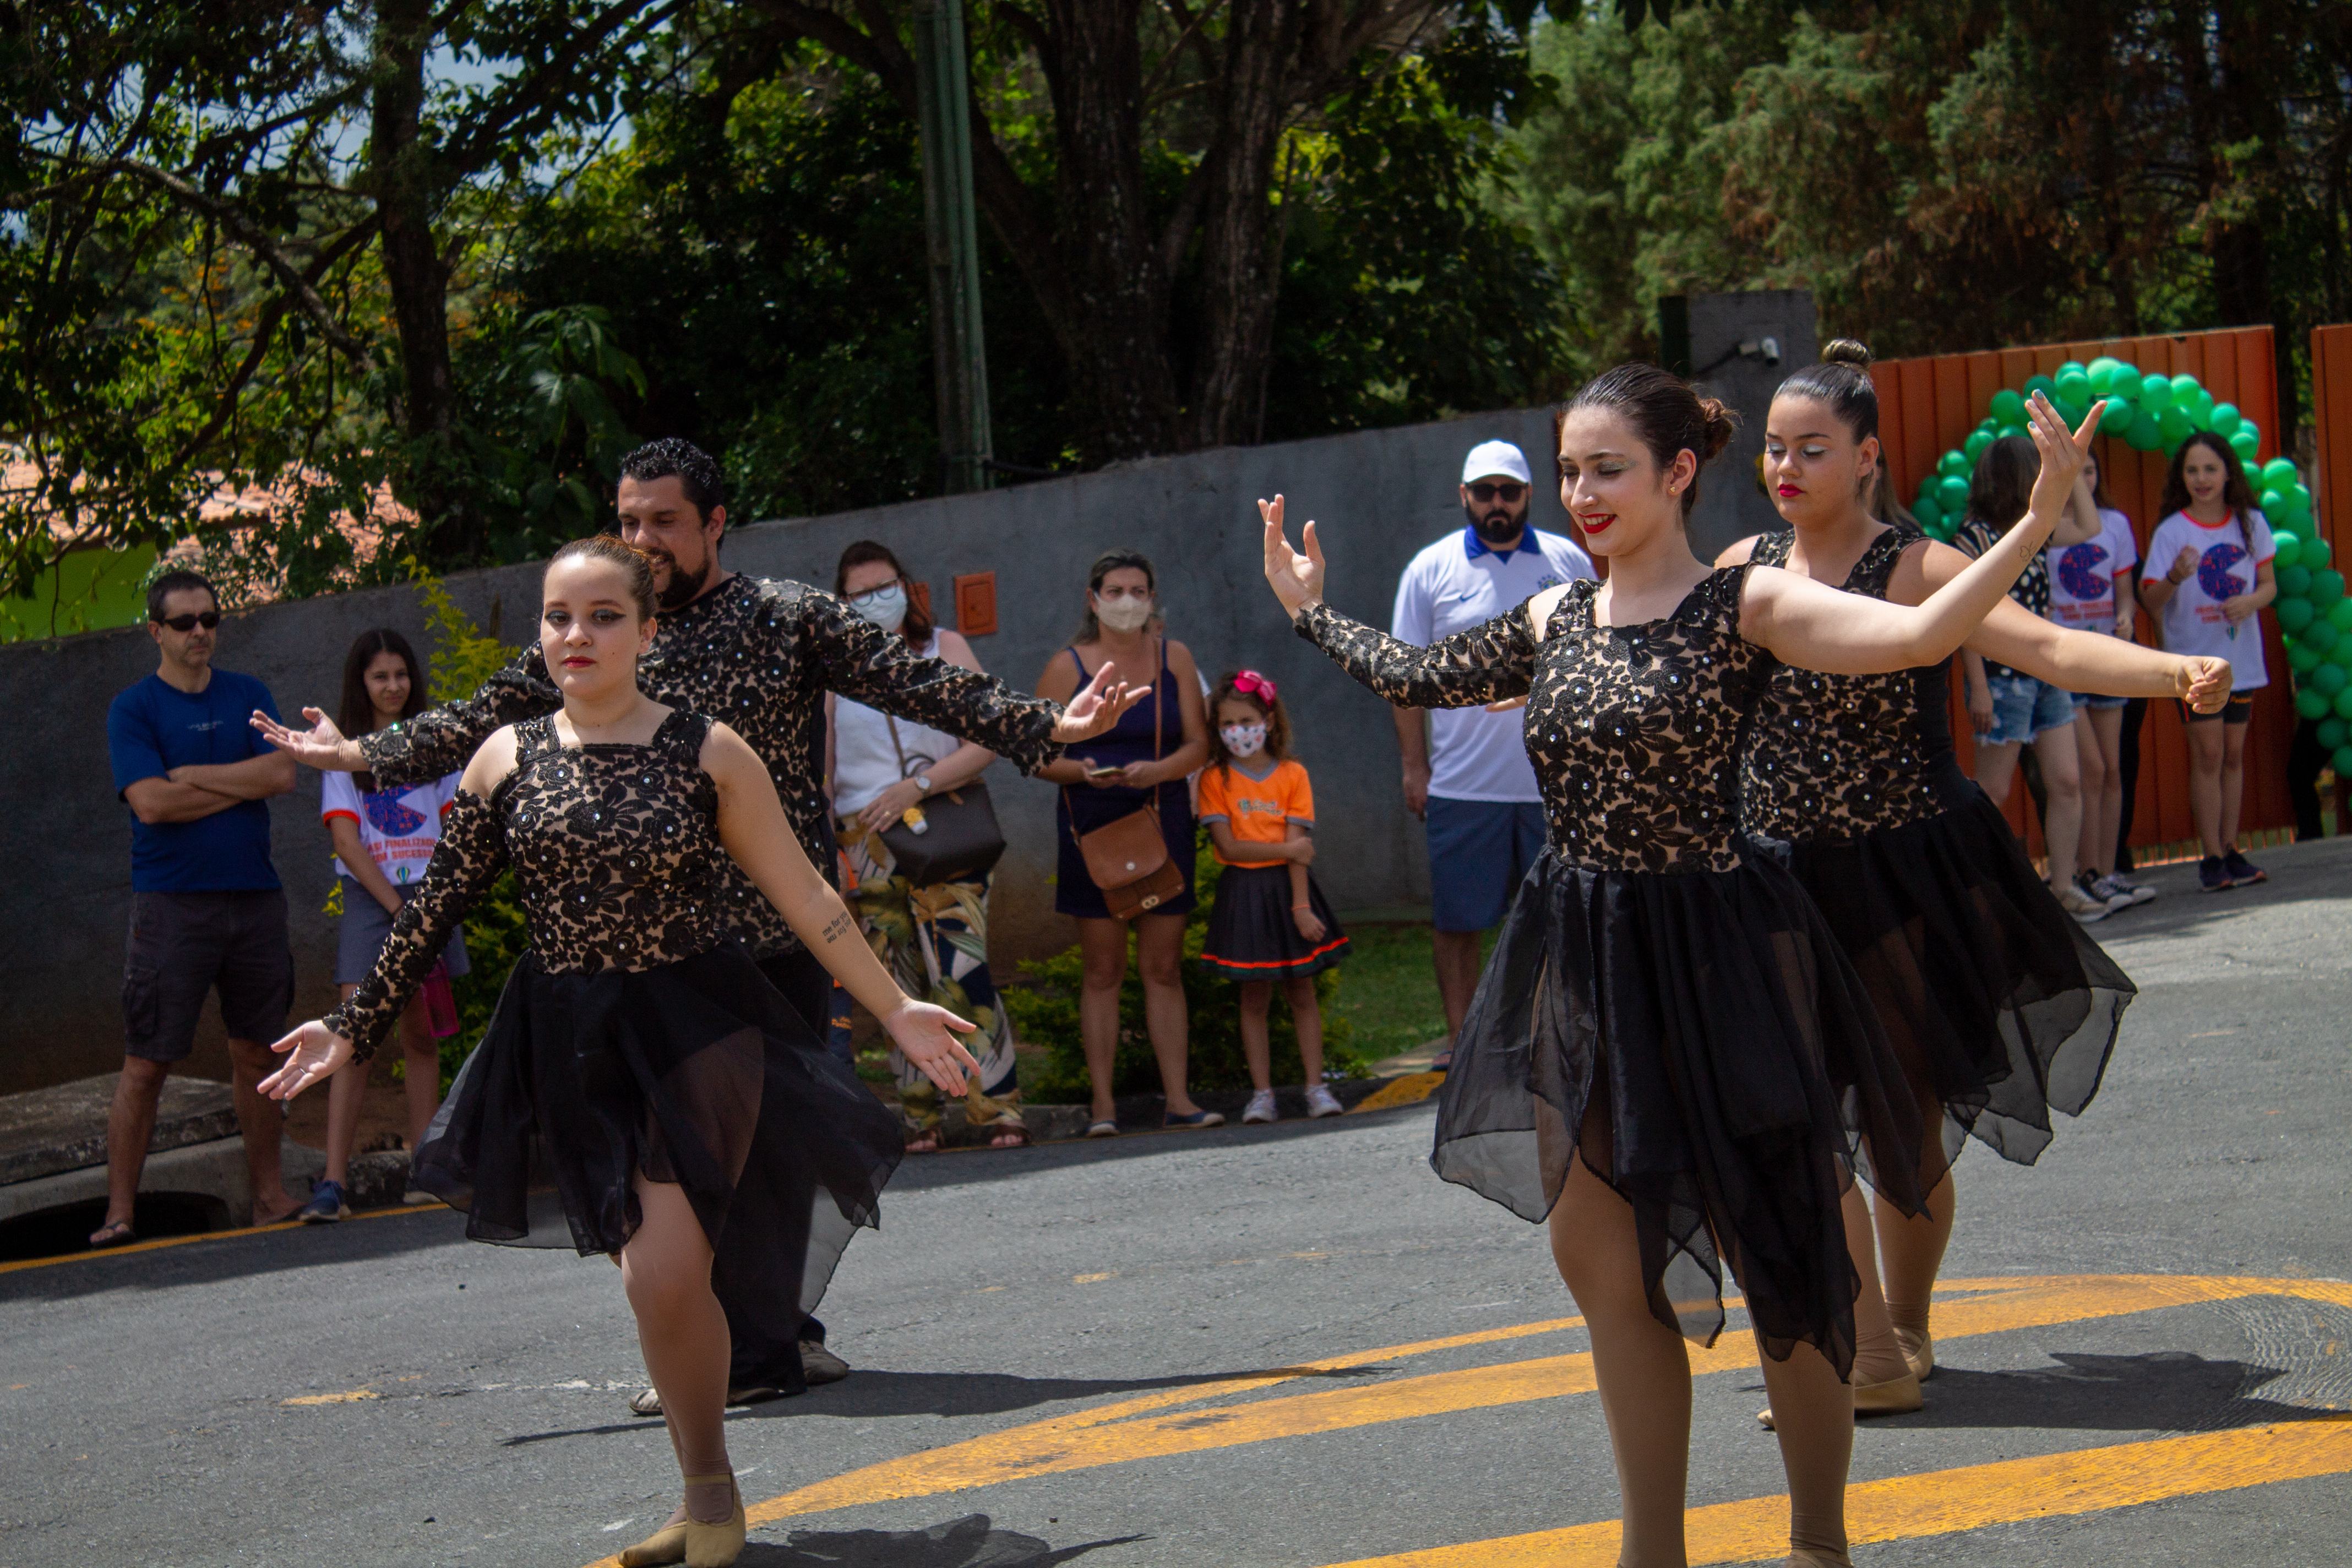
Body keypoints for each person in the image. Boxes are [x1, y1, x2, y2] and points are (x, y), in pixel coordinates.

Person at [1261, 366, 2096, 1568]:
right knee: (1602, 1265)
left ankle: (1819, 1542)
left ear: (1678, 473)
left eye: (1608, 468)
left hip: (1721, 955)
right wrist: (1308, 609)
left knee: (1785, 1258)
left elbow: (1921, 633)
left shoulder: (1743, 603)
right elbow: (1414, 676)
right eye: (1570, 471)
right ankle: (1652, 1549)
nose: (1582, 492)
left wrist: (2033, 516)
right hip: (1587, 956)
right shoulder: (1555, 616)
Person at [253, 438, 1139, 1409]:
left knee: (769, 1158)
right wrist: (361, 753)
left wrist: (1045, 726)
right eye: (627, 519)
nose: (642, 538)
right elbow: (482, 718)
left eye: (663, 520)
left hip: (777, 940)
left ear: (716, 524)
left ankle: (761, 1342)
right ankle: (717, 1345)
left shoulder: (785, 618)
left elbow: (920, 684)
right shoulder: (604, 628)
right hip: (648, 953)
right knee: (664, 1170)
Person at [259, 536, 976, 1568]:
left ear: (647, 631)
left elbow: (810, 899)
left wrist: (896, 1003)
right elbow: (430, 914)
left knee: (664, 1267)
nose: (576, 635)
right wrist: (352, 1022)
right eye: (558, 615)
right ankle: (706, 1489)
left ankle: (711, 1492)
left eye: (602, 616)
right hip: (569, 1035)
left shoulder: (709, 750)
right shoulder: (502, 756)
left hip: (696, 1027)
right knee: (655, 1282)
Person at [1719, 341, 2229, 1428]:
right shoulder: (1741, 566)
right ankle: (1850, 1335)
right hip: (1773, 884)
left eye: (1813, 447)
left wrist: (2175, 671)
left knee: (1905, 1117)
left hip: (1907, 872)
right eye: (1773, 447)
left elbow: (2054, 650)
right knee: (1795, 1116)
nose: (1787, 465)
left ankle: (1903, 1324)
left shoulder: (1921, 566)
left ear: (1867, 458)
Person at [97, 569, 301, 1247]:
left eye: (209, 619)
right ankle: (119, 1213)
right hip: (172, 908)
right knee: (148, 1061)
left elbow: (281, 774)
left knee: (258, 1052)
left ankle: (270, 1195)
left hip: (254, 901)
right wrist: (237, 788)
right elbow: (151, 805)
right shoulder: (134, 709)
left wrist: (193, 778)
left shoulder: (249, 695)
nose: (200, 633)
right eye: (184, 622)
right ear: (156, 631)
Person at [1390, 440, 1593, 1068]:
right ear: (1465, 496)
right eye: (1485, 492)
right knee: (1458, 924)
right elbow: (1404, 676)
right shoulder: (1430, 568)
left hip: (1552, 785)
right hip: (1463, 785)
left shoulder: (1567, 559)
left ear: (1529, 494)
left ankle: (1560, 1037)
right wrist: (1414, 766)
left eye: (1509, 491)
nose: (1497, 503)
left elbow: (1595, 661)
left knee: (1564, 920)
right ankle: (1462, 1044)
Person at [824, 540, 1026, 1152]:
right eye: (860, 593)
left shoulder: (944, 647)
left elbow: (988, 737)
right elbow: (824, 769)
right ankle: (920, 1118)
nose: (876, 600)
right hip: (866, 838)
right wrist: (825, 846)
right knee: (896, 978)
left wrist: (919, 781)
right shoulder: (832, 671)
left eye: (887, 586)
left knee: (960, 965)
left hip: (942, 818)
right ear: (842, 602)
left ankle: (999, 1110)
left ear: (907, 586)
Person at [1033, 549, 1220, 1137]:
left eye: (1138, 590)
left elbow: (1200, 744)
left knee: (1163, 967)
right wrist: (1084, 770)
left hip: (1161, 815)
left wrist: (1159, 771)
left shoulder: (1176, 658)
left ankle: (1180, 1100)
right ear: (1093, 600)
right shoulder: (1067, 666)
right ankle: (1105, 1109)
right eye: (1114, 591)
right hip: (1093, 827)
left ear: (1152, 598)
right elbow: (1036, 753)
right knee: (1103, 970)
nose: (1127, 601)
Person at [303, 628, 470, 1222]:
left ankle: (426, 1172)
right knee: (353, 1041)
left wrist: (432, 905)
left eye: (401, 674)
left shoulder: (438, 748)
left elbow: (459, 828)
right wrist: (402, 912)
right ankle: (332, 1185)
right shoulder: (340, 752)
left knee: (422, 1037)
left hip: (432, 895)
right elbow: (347, 844)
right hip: (375, 903)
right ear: (362, 684)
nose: (393, 686)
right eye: (380, 676)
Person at [1951, 437, 2111, 922]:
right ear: (2016, 480)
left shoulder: (2032, 530)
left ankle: (2061, 889)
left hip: (2043, 674)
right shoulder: (1972, 539)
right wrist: (1977, 685)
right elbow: (1963, 616)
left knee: (2066, 781)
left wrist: (2076, 467)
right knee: (1994, 792)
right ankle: (1988, 895)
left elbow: (2090, 524)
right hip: (2000, 680)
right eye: (2034, 473)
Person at [1195, 669, 1350, 1125]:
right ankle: (1261, 1094)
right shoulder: (1214, 779)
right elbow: (1229, 847)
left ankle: (1316, 1087)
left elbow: (1301, 849)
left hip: (1288, 890)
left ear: (1268, 719)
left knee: (1302, 991)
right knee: (1253, 998)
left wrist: (1301, 907)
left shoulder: (1293, 775)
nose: (1237, 732)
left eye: (1245, 720)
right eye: (1226, 725)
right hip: (1242, 892)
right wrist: (1285, 849)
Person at [2141, 431, 2279, 890]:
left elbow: (2269, 587)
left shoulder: (2251, 523)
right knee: (2209, 754)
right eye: (2192, 470)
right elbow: (2150, 600)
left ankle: (2232, 849)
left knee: (2234, 755)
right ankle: (2211, 858)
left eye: (2210, 469)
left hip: (2242, 659)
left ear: (2227, 474)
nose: (2202, 479)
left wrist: (2250, 603)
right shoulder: (2172, 532)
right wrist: (2177, 576)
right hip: (2194, 663)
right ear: (2182, 477)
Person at [2046, 450, 2158, 908]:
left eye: (2089, 471)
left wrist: (2127, 619)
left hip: (2109, 657)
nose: (2083, 479)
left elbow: (2125, 592)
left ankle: (2108, 874)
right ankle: (2083, 872)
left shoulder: (2115, 524)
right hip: (2065, 664)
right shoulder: (2046, 524)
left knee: (2111, 770)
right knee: (2089, 769)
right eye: (2076, 470)